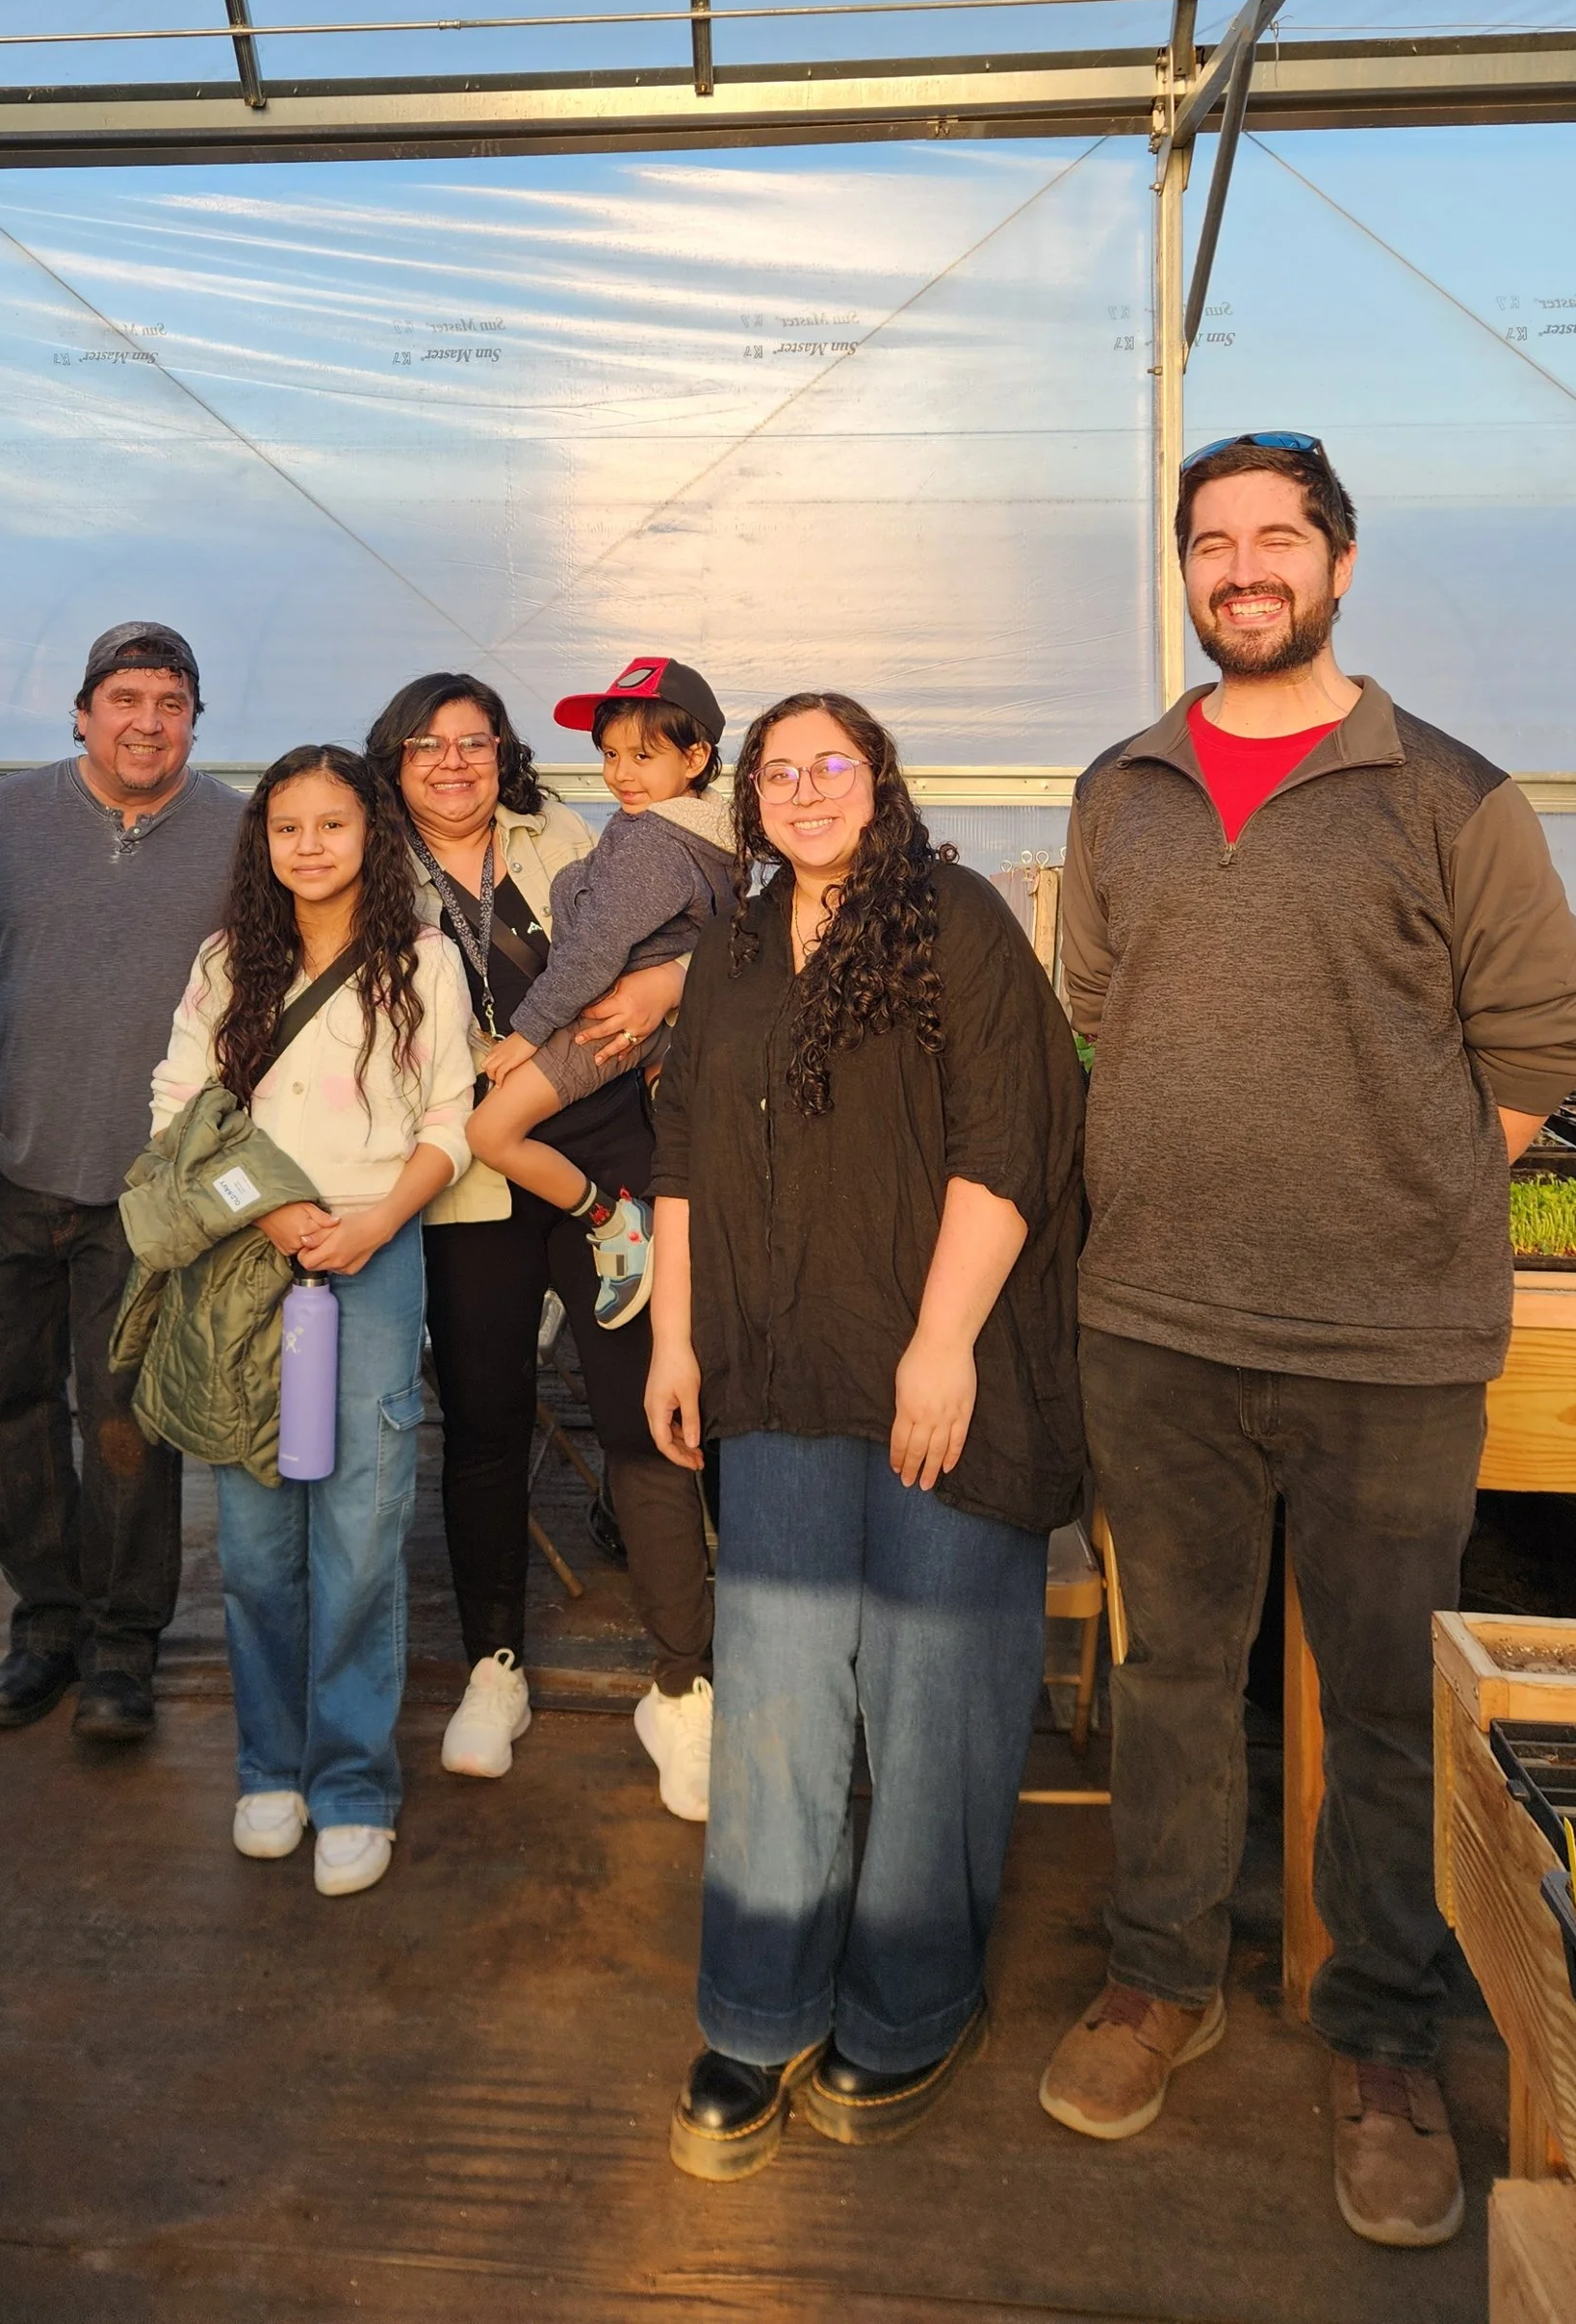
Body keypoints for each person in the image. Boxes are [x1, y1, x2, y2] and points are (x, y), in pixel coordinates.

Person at [1037, 431, 1576, 2251]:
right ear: (1186, 570)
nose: (1244, 567)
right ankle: (1160, 1976)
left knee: (1378, 1697)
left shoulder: (1448, 792)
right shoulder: (1120, 788)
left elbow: (1540, 1033)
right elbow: (1098, 1004)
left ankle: (1383, 2038)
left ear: (1341, 564)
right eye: (1214, 540)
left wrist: (1398, 1196)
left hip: (1391, 1346)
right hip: (1157, 1325)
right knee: (1174, 1673)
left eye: (1279, 536)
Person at [647, 692, 1086, 2180]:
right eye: (778, 769)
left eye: (832, 762)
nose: (805, 787)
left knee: (929, 1691)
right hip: (779, 1372)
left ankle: (910, 2004)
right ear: (749, 800)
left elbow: (1012, 1136)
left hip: (943, 1375)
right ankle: (759, 2003)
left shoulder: (956, 921)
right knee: (775, 1693)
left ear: (881, 780)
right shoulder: (731, 948)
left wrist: (944, 1340)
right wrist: (672, 1337)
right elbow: (685, 1155)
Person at [364, 674, 716, 1816]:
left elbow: (707, 920)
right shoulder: (365, 862)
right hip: (465, 1174)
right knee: (484, 1414)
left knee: (645, 1413)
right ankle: (493, 1666)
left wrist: (670, 981)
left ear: (503, 754)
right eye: (426, 745)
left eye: (474, 742)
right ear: (394, 758)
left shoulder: (569, 829)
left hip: (607, 1148)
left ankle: (685, 1684)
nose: (452, 762)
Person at [147, 745, 474, 1898]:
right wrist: (276, 1211)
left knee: (361, 1533)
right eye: (288, 826)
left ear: (370, 835)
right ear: (264, 842)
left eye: (333, 824)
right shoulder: (227, 960)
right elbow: (179, 1110)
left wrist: (376, 1221)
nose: (311, 845)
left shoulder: (422, 961)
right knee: (254, 1539)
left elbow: (450, 1116)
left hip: (375, 1260)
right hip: (248, 1263)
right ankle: (268, 1769)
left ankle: (351, 1785)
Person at [0, 622, 242, 1744]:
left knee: (127, 1418)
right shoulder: (6, 817)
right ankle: (45, 1620)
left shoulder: (240, 833)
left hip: (147, 1184)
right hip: (4, 1163)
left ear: (194, 722)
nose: (146, 722)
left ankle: (121, 1642)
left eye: (170, 703)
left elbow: (267, 995)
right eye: (124, 699)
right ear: (80, 714)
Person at [466, 658, 738, 1330]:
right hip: (654, 1024)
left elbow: (593, 950)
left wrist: (529, 1031)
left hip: (601, 1021)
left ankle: (615, 1221)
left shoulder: (653, 843)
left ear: (696, 757)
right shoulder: (706, 832)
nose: (621, 773)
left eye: (643, 755)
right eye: (611, 754)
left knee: (489, 1132)